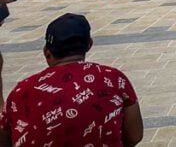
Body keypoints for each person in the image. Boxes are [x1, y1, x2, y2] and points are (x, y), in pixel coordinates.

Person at [0, 13, 144, 146]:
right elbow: (134, 136)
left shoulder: (21, 91)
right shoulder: (113, 78)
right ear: (89, 45)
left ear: (46, 52)